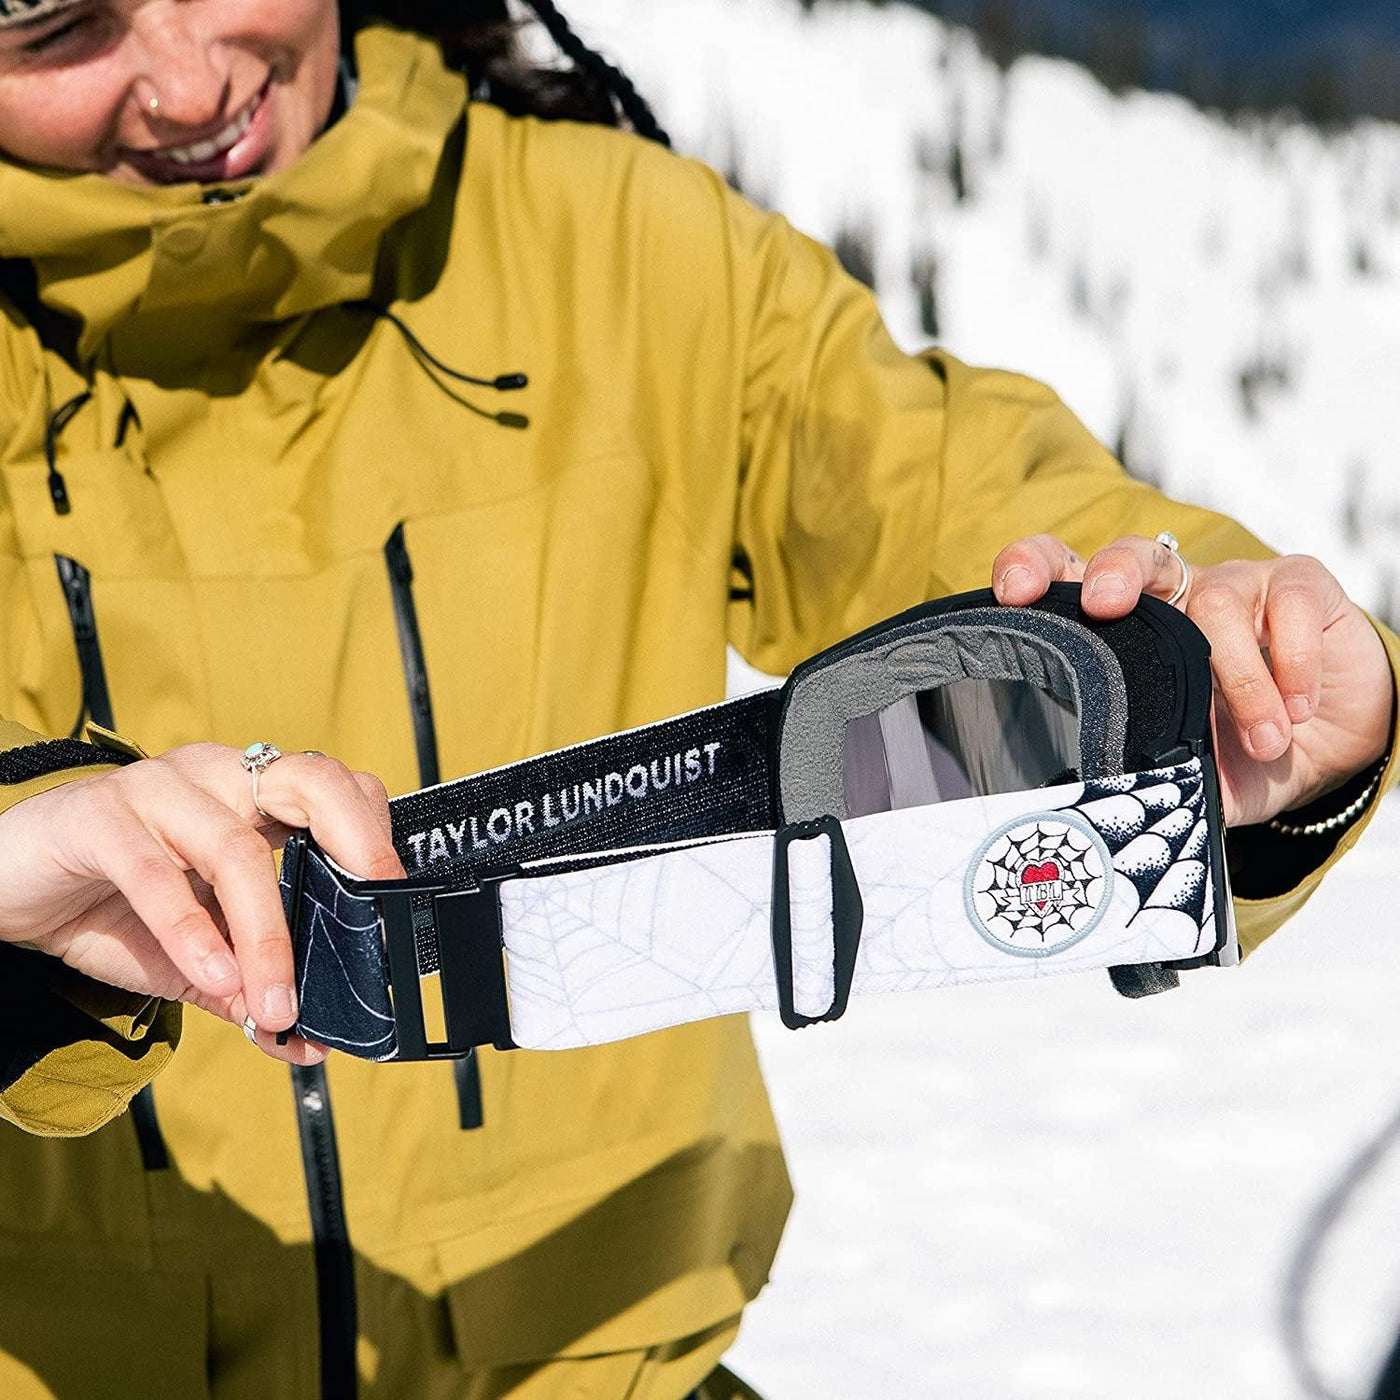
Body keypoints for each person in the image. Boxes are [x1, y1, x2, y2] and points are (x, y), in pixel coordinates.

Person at [0, 1, 1393, 1396]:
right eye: (57, 26)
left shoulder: (616, 256)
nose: (185, 83)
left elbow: (937, 492)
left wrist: (1202, 667)